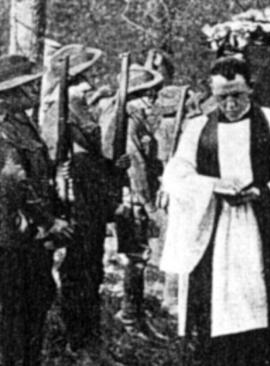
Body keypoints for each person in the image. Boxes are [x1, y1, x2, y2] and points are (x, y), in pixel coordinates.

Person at [161, 56, 270, 365]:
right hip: (215, 234)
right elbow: (176, 176)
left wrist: (263, 191)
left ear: (251, 90)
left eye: (237, 95)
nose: (230, 104)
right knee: (218, 316)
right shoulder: (198, 128)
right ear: (212, 94)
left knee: (266, 314)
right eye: (222, 97)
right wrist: (212, 186)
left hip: (263, 228)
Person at [0, 54, 74, 366]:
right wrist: (48, 222)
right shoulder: (0, 131)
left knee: (39, 300)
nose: (36, 89)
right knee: (18, 311)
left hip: (31, 232)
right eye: (29, 86)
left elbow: (36, 175)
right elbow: (14, 185)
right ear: (12, 92)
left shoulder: (24, 124)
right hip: (13, 232)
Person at [39, 43, 128, 365]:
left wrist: (114, 164)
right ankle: (77, 341)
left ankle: (90, 338)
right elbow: (52, 160)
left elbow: (95, 156)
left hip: (91, 202)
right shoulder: (57, 114)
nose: (88, 86)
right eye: (80, 81)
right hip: (75, 203)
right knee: (79, 272)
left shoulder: (80, 111)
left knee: (92, 270)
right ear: (66, 85)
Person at [96, 63, 166, 340]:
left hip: (135, 195)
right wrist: (148, 205)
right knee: (136, 257)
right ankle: (129, 316)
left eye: (154, 94)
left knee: (139, 256)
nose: (151, 100)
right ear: (132, 96)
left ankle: (135, 314)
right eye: (145, 94)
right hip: (130, 197)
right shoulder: (126, 121)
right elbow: (134, 165)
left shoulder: (135, 119)